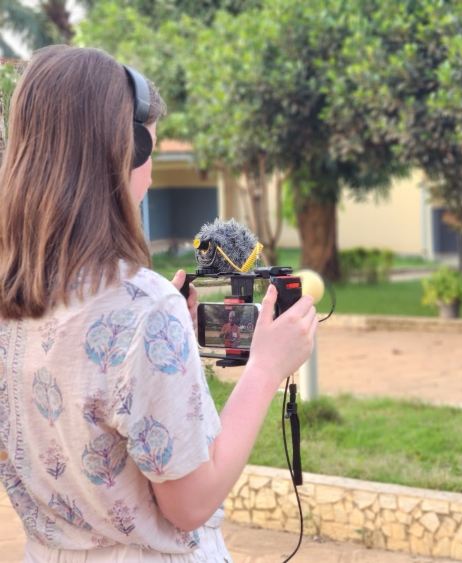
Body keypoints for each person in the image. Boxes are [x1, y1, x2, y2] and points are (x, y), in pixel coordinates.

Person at [0, 45, 317, 562]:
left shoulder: (12, 298)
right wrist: (265, 368)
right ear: (129, 151)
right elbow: (190, 504)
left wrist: (166, 356)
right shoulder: (145, 309)